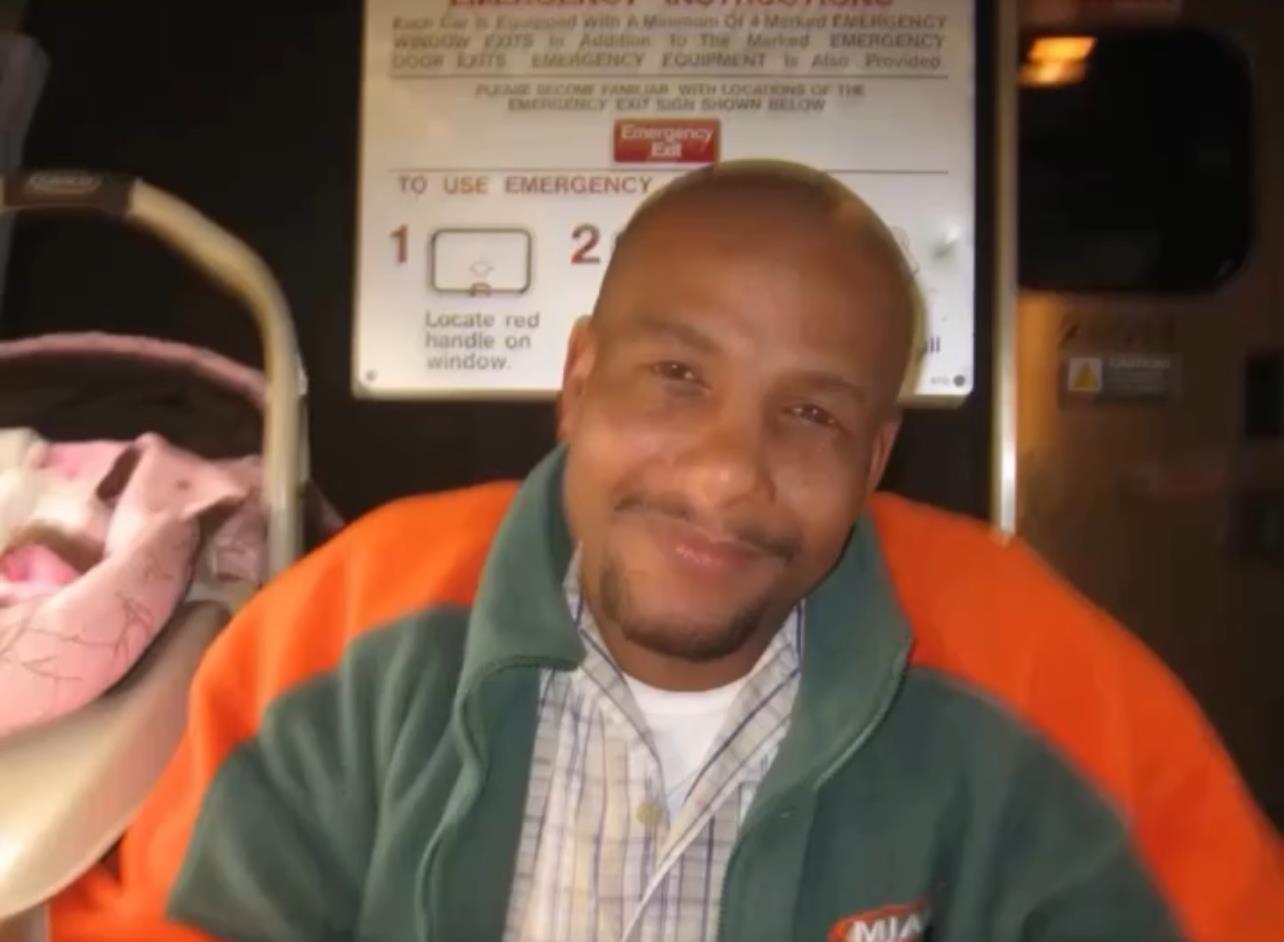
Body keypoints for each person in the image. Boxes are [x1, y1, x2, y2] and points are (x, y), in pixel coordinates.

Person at [53, 161, 1282, 942]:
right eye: (678, 376)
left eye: (811, 414)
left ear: (876, 457)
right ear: (579, 380)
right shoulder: (346, 635)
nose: (728, 472)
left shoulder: (1036, 675)